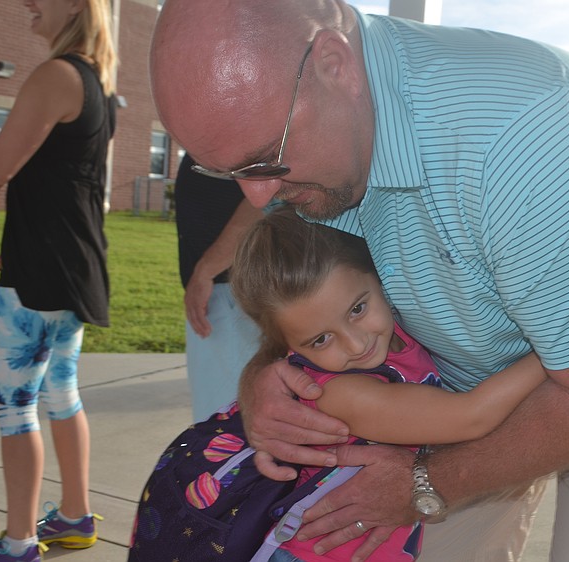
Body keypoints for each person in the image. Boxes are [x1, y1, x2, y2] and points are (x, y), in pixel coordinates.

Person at [149, 1, 569, 561]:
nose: (259, 195)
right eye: (227, 174)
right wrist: (261, 385)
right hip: (455, 379)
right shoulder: (299, 151)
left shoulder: (529, 130)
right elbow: (298, 321)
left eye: (263, 160)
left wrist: (428, 482)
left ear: (336, 65)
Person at [230, 207, 547, 562]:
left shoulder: (396, 333)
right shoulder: (342, 393)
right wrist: (556, 348)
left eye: (357, 309)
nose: (355, 344)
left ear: (380, 278)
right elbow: (471, 415)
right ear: (287, 345)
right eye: (320, 340)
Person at [0, 1, 117, 561]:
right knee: (59, 394)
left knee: (17, 406)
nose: (26, 4)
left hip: (39, 277)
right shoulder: (94, 83)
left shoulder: (57, 74)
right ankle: (74, 517)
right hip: (72, 269)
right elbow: (63, 188)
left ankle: (19, 543)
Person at [174, 153, 261, 421]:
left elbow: (266, 199)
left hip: (234, 295)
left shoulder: (250, 119)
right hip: (227, 293)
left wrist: (205, 270)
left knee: (227, 424)